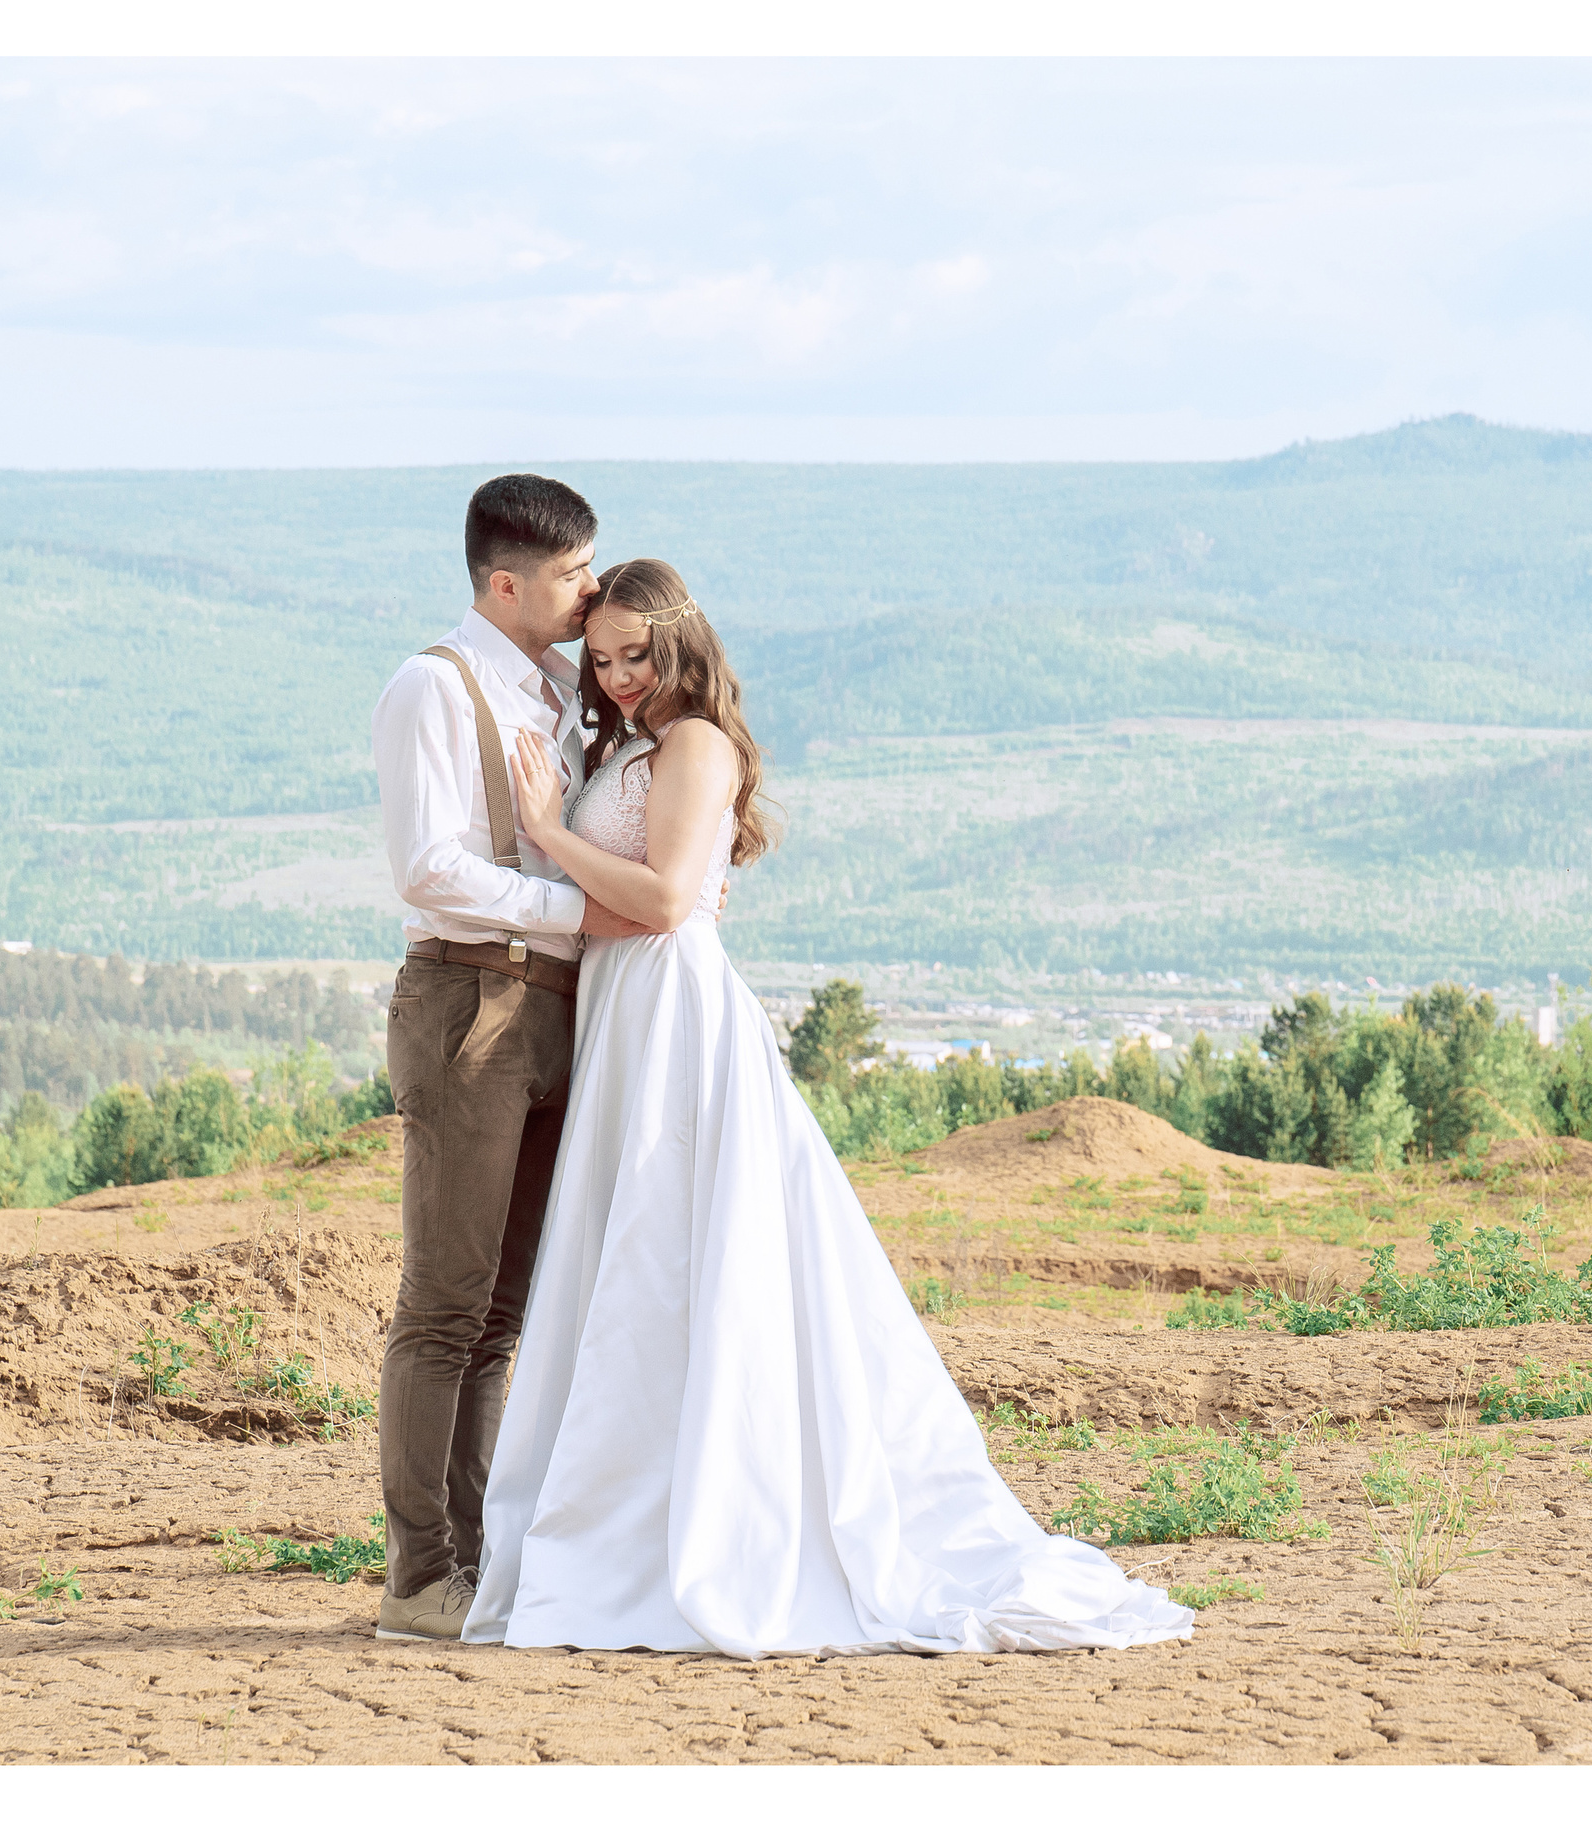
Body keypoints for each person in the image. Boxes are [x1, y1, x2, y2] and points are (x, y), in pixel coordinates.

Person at [459, 557, 1194, 1657]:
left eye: (634, 656)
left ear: (681, 643)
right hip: (624, 1009)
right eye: (600, 658)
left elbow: (662, 902)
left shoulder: (697, 743)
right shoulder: (635, 744)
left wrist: (548, 834)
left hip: (674, 1018)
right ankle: (624, 1521)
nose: (613, 677)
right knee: (635, 1264)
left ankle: (703, 1529)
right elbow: (623, 911)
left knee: (678, 1254)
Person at [367, 474, 656, 1642]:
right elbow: (429, 867)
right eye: (576, 573)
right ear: (506, 581)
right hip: (470, 1004)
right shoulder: (432, 687)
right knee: (443, 1305)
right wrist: (576, 909)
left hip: (547, 1011)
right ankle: (415, 1575)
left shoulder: (550, 690)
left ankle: (475, 1564)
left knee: (501, 1311)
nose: (591, 590)